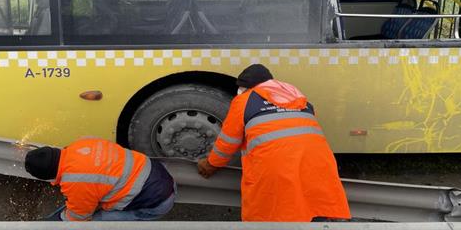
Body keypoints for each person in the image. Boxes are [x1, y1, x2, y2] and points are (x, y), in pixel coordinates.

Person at [197, 64, 351, 222]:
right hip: (319, 166)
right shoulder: (301, 100)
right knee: (314, 209)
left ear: (247, 87)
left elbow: (227, 142)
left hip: (275, 170)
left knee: (274, 214)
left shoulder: (244, 101)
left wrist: (211, 164)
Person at [24, 137, 176, 221]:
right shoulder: (80, 144)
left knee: (94, 222)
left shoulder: (77, 182)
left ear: (48, 176)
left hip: (156, 204)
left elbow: (78, 219)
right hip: (160, 174)